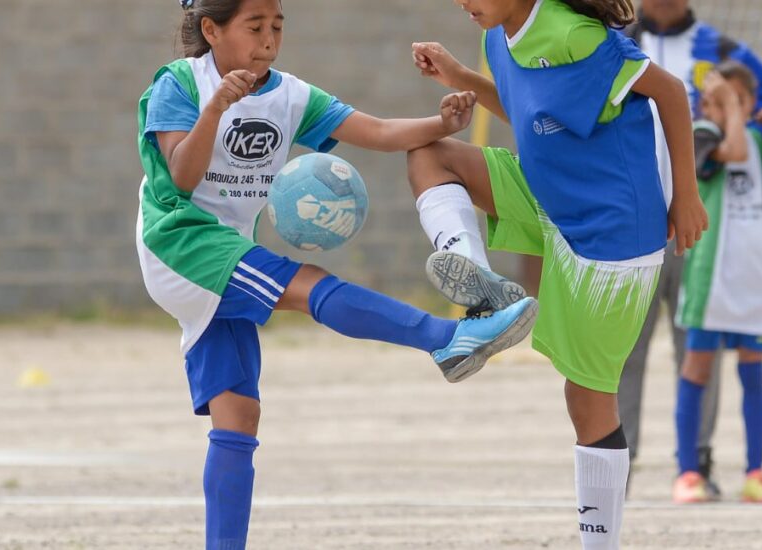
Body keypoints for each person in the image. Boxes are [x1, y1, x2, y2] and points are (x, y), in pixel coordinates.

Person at [137, 1, 538, 547]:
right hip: (182, 242)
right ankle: (444, 338)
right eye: (254, 27)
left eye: (277, 27)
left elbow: (373, 129)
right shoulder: (181, 83)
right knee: (306, 284)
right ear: (211, 29)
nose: (268, 41)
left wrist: (441, 124)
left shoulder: (289, 94)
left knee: (238, 416)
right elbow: (181, 178)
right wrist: (216, 110)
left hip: (225, 250)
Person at [405, 0, 707, 546]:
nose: (463, 2)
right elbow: (528, 109)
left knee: (587, 397)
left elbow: (670, 93)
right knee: (429, 153)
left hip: (614, 232)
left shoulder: (576, 34)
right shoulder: (497, 33)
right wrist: (459, 76)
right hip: (546, 198)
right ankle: (485, 292)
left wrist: (685, 194)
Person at [618, 0, 762, 496]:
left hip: (697, 229)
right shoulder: (615, 42)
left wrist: (726, 142)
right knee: (621, 353)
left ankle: (695, 465)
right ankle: (617, 465)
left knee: (697, 353)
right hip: (629, 223)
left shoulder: (721, 51)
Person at [670, 62, 762, 504]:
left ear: (751, 103)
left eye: (734, 99)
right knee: (698, 368)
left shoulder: (761, 142)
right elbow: (730, 151)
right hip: (713, 277)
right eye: (712, 99)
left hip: (754, 278)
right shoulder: (704, 135)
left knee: (754, 371)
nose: (721, 106)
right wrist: (728, 107)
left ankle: (756, 472)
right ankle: (688, 472)